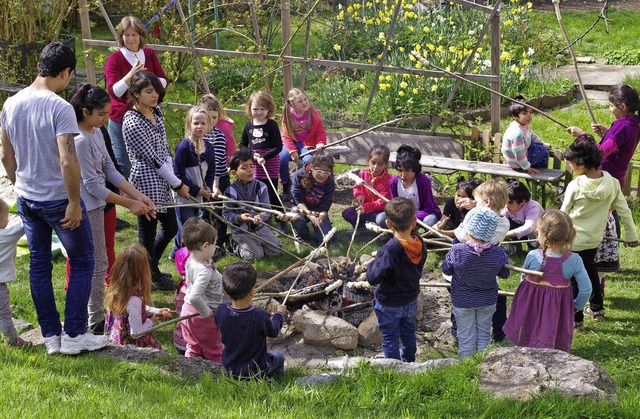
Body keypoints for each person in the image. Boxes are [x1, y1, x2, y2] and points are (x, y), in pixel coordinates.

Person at [0, 42, 108, 355]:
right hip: (58, 200)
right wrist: (74, 203)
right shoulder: (59, 107)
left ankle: (50, 336)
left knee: (39, 266)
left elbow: (6, 154)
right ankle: (74, 334)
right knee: (85, 260)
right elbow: (67, 160)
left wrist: (20, 180)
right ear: (64, 72)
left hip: (27, 197)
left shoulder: (10, 103)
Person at [68, 83, 156, 333]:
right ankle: (94, 318)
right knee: (96, 263)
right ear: (85, 111)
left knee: (102, 260)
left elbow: (110, 169)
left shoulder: (96, 133)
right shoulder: (81, 140)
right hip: (87, 206)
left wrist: (140, 196)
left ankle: (95, 313)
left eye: (107, 113)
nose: (106, 118)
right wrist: (130, 203)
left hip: (99, 206)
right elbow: (93, 186)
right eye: (102, 114)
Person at [122, 70, 190, 291]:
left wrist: (173, 178)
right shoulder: (132, 122)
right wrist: (177, 184)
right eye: (149, 92)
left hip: (162, 179)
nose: (154, 96)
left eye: (156, 91)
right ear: (136, 93)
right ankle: (144, 278)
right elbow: (151, 158)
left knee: (170, 227)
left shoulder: (156, 112)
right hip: (145, 182)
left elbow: (163, 149)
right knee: (147, 234)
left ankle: (150, 270)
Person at [561, 135, 638, 324]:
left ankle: (576, 318)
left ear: (581, 162)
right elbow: (624, 210)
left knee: (574, 278)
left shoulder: (575, 185)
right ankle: (597, 309)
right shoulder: (611, 183)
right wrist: (631, 235)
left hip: (574, 240)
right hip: (594, 239)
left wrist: (554, 238)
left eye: (571, 164)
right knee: (590, 270)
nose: (570, 167)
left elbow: (563, 214)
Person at [567, 85, 640, 277]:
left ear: (622, 106)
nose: (610, 109)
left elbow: (599, 153)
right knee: (612, 214)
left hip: (605, 176)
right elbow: (619, 143)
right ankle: (610, 256)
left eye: (611, 106)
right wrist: (606, 133)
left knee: (602, 218)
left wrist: (583, 135)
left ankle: (602, 258)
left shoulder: (622, 126)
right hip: (618, 175)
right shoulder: (634, 123)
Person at [503, 209, 592, 352]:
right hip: (558, 306)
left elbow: (523, 279)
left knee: (529, 326)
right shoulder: (574, 260)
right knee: (553, 329)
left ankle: (529, 352)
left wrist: (522, 299)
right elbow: (586, 288)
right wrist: (576, 306)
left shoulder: (532, 255)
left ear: (543, 234)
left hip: (531, 303)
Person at [442, 207, 510, 358]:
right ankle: (482, 363)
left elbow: (446, 270)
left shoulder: (457, 251)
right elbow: (505, 274)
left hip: (463, 301)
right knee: (484, 332)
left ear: (467, 230)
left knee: (466, 335)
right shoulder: (498, 253)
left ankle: (467, 366)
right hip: (487, 300)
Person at [105, 16, 168, 179]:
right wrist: (131, 75)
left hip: (147, 115)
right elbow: (114, 91)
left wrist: (148, 80)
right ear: (121, 37)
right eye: (127, 35)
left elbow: (163, 81)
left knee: (153, 159)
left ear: (141, 36)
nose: (131, 39)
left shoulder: (149, 53)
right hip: (121, 118)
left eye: (134, 35)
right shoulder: (115, 59)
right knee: (125, 164)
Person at [366, 198, 427, 362]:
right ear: (414, 221)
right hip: (410, 299)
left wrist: (372, 263)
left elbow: (373, 278)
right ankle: (409, 360)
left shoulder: (389, 250)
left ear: (388, 223)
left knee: (390, 337)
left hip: (389, 303)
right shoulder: (420, 242)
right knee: (408, 331)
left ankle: (394, 368)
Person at [450, 178, 510, 343]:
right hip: (488, 269)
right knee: (493, 298)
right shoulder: (504, 222)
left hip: (467, 266)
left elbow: (461, 235)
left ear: (487, 202)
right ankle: (498, 333)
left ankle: (458, 333)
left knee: (460, 299)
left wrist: (467, 221)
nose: (475, 205)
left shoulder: (476, 218)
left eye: (477, 202)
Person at [215, 262, 287, 379]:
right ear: (252, 292)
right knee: (278, 356)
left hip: (230, 368)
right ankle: (277, 382)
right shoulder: (259, 316)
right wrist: (280, 314)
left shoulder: (220, 310)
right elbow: (274, 331)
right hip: (255, 372)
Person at [104, 244, 173, 348]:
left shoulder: (117, 291)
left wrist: (156, 311)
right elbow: (136, 333)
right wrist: (151, 321)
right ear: (141, 274)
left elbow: (134, 310)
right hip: (132, 346)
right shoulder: (134, 300)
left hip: (116, 339)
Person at [223, 151, 283, 261]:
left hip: (259, 227)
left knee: (277, 250)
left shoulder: (261, 186)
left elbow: (267, 209)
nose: (250, 170)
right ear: (234, 172)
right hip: (241, 230)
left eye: (251, 166)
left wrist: (261, 217)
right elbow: (226, 214)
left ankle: (256, 244)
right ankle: (233, 242)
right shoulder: (230, 191)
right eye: (244, 168)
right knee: (255, 256)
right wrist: (239, 218)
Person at [171, 106, 216, 254]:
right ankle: (186, 256)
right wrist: (197, 190)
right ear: (189, 124)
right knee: (188, 227)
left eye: (203, 123)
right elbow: (178, 174)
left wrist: (208, 188)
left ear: (208, 126)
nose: (199, 126)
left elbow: (211, 171)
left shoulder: (208, 148)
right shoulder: (184, 147)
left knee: (192, 222)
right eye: (196, 123)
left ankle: (176, 253)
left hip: (200, 194)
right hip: (185, 194)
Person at [180, 218, 225, 361]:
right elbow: (195, 296)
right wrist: (207, 313)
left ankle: (190, 369)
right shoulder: (203, 271)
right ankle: (218, 377)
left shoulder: (191, 259)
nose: (215, 248)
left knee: (193, 347)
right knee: (214, 350)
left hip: (187, 311)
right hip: (202, 317)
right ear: (205, 246)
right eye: (214, 245)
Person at [197, 94, 234, 253]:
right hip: (203, 180)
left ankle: (219, 243)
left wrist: (215, 185)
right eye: (208, 117)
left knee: (220, 211)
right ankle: (206, 242)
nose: (211, 121)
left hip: (218, 179)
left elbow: (219, 162)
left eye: (215, 117)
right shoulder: (197, 135)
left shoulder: (218, 135)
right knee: (205, 212)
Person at [279, 88, 327, 201]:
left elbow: (320, 131)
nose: (305, 102)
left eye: (305, 99)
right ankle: (286, 184)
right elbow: (286, 135)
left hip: (307, 144)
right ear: (292, 105)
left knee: (309, 160)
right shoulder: (288, 116)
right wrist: (291, 150)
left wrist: (320, 143)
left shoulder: (313, 114)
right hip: (291, 143)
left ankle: (305, 184)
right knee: (281, 159)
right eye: (300, 101)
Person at [239, 91, 283, 210]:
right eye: (255, 109)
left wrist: (265, 157)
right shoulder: (248, 126)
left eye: (262, 109)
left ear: (269, 110)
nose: (259, 112)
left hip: (270, 162)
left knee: (271, 190)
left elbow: (278, 146)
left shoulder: (272, 124)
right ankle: (259, 214)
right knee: (256, 189)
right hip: (254, 163)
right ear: (250, 109)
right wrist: (253, 155)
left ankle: (278, 216)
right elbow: (242, 145)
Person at [384, 145, 441, 228]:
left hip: (423, 214)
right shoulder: (393, 182)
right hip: (403, 216)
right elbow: (395, 205)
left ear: (415, 168)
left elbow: (429, 207)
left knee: (429, 220)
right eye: (400, 170)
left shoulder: (423, 181)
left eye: (407, 170)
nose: (403, 175)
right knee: (382, 218)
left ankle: (428, 238)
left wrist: (414, 219)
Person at [0, 199, 29, 347]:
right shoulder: (5, 236)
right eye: (6, 217)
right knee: (4, 316)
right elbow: (23, 226)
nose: (8, 220)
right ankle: (12, 341)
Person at [342, 144, 392, 230]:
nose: (375, 167)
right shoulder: (363, 173)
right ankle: (361, 228)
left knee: (382, 219)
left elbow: (383, 201)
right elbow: (357, 187)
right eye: (373, 163)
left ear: (386, 165)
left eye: (380, 164)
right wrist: (359, 195)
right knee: (348, 213)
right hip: (364, 207)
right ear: (368, 160)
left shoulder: (388, 179)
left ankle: (386, 232)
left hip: (380, 211)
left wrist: (367, 207)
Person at [290, 151, 336, 244]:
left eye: (327, 172)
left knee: (327, 240)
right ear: (312, 167)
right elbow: (298, 200)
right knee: (295, 215)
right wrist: (309, 214)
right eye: (319, 171)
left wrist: (322, 214)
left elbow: (327, 202)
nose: (322, 175)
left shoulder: (330, 182)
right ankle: (302, 234)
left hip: (318, 209)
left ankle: (321, 231)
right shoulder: (299, 176)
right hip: (301, 208)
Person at [501, 96, 551, 173]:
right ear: (514, 116)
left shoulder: (523, 126)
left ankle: (534, 164)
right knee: (544, 152)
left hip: (520, 155)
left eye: (531, 112)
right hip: (517, 163)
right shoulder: (517, 133)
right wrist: (527, 167)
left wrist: (543, 144)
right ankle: (542, 172)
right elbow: (519, 154)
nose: (529, 115)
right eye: (524, 113)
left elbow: (532, 136)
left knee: (540, 147)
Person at [503, 180, 543, 255]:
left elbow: (529, 227)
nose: (506, 206)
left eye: (510, 203)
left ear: (522, 202)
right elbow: (501, 218)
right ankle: (514, 246)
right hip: (517, 226)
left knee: (534, 233)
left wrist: (506, 234)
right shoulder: (509, 207)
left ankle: (533, 251)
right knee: (505, 223)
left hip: (534, 230)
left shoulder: (533, 207)